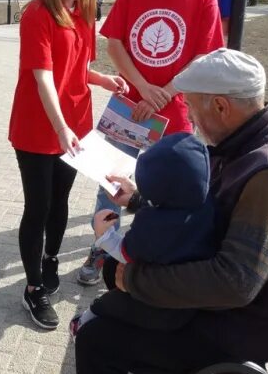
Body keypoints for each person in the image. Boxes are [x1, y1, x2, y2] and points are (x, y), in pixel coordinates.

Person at [75, 48, 268, 374]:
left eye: (194, 108)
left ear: (221, 107)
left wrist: (136, 280)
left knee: (96, 341)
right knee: (113, 278)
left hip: (242, 327)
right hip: (234, 308)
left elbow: (234, 283)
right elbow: (209, 216)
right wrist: (139, 203)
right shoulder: (252, 143)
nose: (192, 120)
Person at [77, 0, 224, 286]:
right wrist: (143, 88)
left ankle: (155, 249)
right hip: (129, 105)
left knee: (169, 187)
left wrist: (166, 91)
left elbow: (204, 59)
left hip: (173, 113)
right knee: (110, 178)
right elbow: (114, 43)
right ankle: (103, 245)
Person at [8, 0, 127, 329]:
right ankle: (32, 289)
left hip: (75, 125)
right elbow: (43, 77)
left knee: (60, 202)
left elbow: (74, 68)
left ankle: (50, 259)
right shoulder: (38, 14)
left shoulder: (84, 12)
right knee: (37, 207)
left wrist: (103, 79)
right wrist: (60, 130)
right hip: (40, 126)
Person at [70, 132, 216, 336]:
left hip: (159, 301)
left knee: (107, 302)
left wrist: (104, 236)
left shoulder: (155, 222)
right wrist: (136, 198)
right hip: (189, 297)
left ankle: (84, 326)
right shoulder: (206, 205)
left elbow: (127, 253)